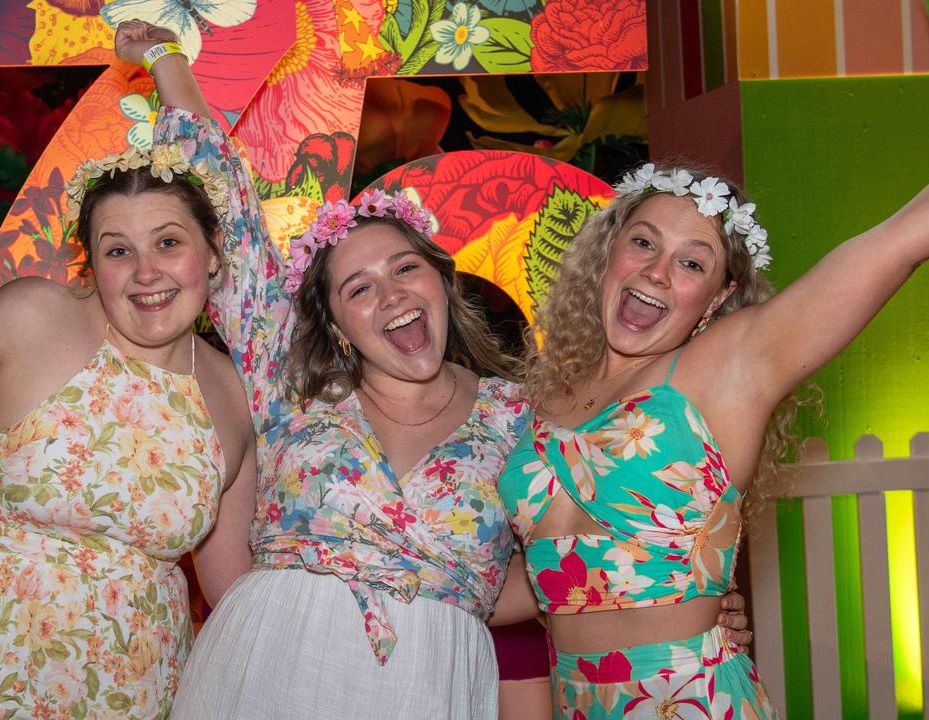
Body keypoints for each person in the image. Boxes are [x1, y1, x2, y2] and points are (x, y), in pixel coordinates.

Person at [109, 20, 751, 719]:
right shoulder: (291, 386)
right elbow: (227, 210)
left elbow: (597, 537)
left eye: (406, 268)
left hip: (432, 680)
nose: (390, 294)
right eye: (358, 289)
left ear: (442, 285)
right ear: (336, 326)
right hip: (272, 663)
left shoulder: (522, 418)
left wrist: (680, 604)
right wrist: (167, 59)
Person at [498, 97, 929, 718]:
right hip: (573, 700)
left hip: (687, 701)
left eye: (691, 262)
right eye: (643, 243)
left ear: (720, 295)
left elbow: (899, 242)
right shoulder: (545, 399)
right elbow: (545, 571)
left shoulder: (728, 364)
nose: (657, 272)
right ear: (608, 255)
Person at [0, 125, 254, 716]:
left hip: (140, 695)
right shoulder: (30, 317)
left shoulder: (233, 395)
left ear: (211, 252)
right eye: (118, 250)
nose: (145, 272)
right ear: (92, 264)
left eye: (168, 243)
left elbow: (233, 590)